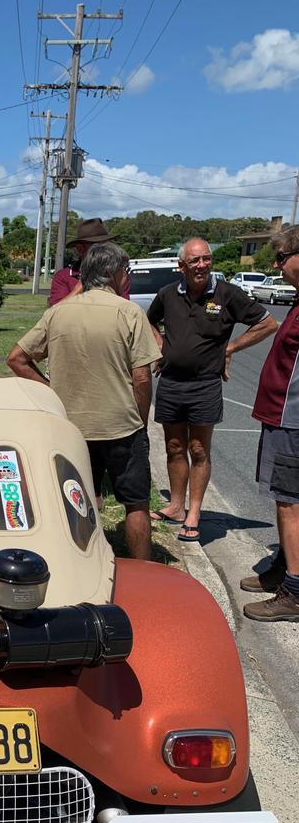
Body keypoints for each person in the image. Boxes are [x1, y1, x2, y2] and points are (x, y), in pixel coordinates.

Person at [7, 242, 160, 560]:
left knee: (74, 497)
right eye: (125, 272)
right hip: (121, 424)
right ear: (117, 274)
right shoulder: (130, 312)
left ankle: (78, 561)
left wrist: (50, 390)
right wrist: (140, 422)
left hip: (70, 425)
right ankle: (144, 570)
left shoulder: (58, 313)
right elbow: (143, 378)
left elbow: (17, 358)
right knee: (136, 503)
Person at [147, 238, 277, 542]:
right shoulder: (167, 294)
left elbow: (268, 324)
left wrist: (230, 348)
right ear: (182, 266)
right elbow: (148, 320)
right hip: (170, 383)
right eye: (195, 261)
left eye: (207, 259)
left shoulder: (227, 294)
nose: (202, 265)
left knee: (199, 450)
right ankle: (176, 506)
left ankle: (193, 513)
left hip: (204, 384)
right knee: (174, 447)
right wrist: (160, 347)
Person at [240, 225, 299, 621]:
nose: (276, 266)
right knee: (286, 501)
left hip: (293, 421)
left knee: (290, 503)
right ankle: (284, 567)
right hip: (281, 417)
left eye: (281, 258)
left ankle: (294, 591)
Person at [49, 218, 124, 306]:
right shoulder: (63, 277)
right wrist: (82, 285)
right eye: (97, 246)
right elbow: (54, 312)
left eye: (106, 245)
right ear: (80, 249)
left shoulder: (117, 274)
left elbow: (125, 309)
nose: (104, 251)